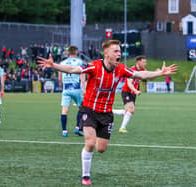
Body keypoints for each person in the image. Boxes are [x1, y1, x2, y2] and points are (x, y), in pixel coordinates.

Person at [38, 40, 178, 186]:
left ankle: (97, 135)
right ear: (106, 54)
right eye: (116, 51)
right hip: (89, 110)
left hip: (106, 114)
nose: (119, 54)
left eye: (119, 51)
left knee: (101, 149)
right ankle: (85, 176)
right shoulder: (94, 66)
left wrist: (160, 73)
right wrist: (54, 65)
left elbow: (141, 75)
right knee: (90, 143)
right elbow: (73, 69)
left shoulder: (121, 69)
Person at [113, 55, 147, 133]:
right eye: (144, 62)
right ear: (138, 62)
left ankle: (110, 112)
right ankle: (122, 128)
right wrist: (136, 90)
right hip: (126, 92)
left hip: (132, 93)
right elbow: (129, 83)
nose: (145, 63)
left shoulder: (142, 70)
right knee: (131, 110)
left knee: (127, 111)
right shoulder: (131, 70)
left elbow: (148, 76)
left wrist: (159, 72)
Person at [58, 46, 86, 137]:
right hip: (77, 88)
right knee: (81, 108)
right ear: (76, 52)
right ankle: (78, 128)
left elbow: (59, 78)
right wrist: (84, 88)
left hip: (66, 88)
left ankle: (64, 131)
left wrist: (62, 87)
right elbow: (82, 75)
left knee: (64, 111)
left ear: (68, 52)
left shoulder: (62, 63)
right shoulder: (80, 62)